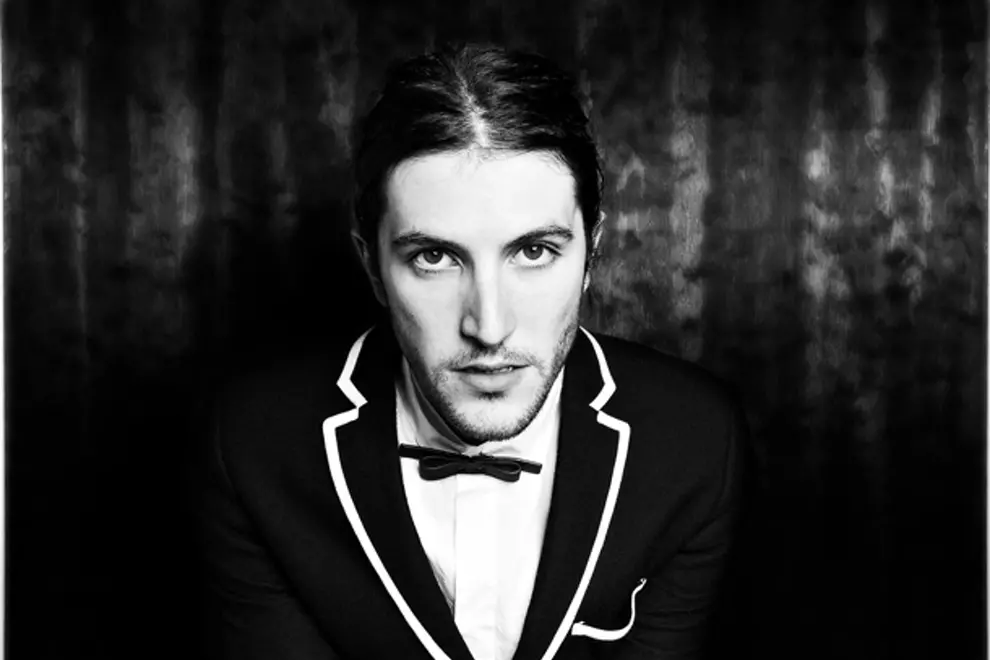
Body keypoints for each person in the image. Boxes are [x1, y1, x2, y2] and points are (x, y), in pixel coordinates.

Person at [200, 42, 750, 660]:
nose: (489, 328)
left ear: (591, 255)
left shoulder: (695, 444)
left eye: (534, 252)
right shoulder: (257, 445)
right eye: (434, 257)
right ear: (373, 267)